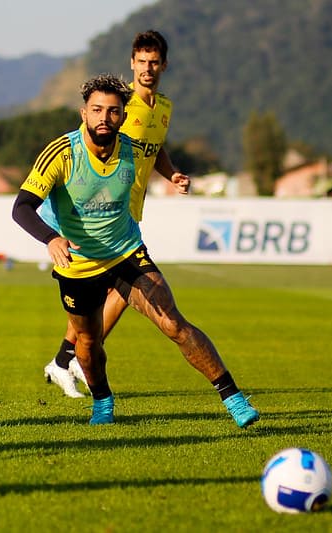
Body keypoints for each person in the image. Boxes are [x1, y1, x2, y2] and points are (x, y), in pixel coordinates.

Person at [12, 74, 259, 428]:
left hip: (126, 253)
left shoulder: (131, 149)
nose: (104, 118)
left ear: (124, 116)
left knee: (172, 321)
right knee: (87, 342)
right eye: (97, 110)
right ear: (83, 113)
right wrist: (51, 238)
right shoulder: (62, 153)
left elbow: (156, 152)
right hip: (77, 267)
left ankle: (233, 398)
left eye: (113, 112)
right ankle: (102, 401)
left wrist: (172, 175)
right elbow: (21, 207)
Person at [43, 30, 189, 398]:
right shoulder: (121, 106)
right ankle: (71, 359)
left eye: (154, 62)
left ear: (164, 65)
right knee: (118, 288)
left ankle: (64, 361)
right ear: (131, 64)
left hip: (129, 209)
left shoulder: (164, 107)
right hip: (101, 212)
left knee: (102, 290)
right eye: (141, 61)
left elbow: (156, 150)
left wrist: (171, 174)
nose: (147, 69)